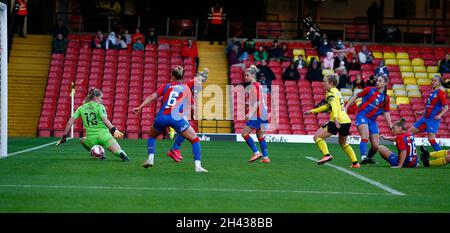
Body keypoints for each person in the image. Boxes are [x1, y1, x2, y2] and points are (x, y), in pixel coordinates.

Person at [132, 66, 208, 173]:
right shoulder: (186, 87)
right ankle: (198, 166)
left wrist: (139, 107)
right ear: (183, 77)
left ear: (172, 76)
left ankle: (150, 159)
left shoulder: (167, 86)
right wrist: (194, 115)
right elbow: (192, 107)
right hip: (177, 118)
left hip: (162, 117)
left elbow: (152, 97)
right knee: (195, 140)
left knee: (152, 135)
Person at [56, 88, 129, 162]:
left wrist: (64, 137)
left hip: (91, 139)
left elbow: (70, 122)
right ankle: (122, 155)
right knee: (119, 151)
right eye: (101, 98)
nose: (101, 100)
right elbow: (104, 119)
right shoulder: (99, 106)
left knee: (81, 140)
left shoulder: (81, 108)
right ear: (95, 97)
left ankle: (96, 152)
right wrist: (114, 130)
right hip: (104, 136)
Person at [303, 75, 360, 168]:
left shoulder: (330, 93)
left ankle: (326, 155)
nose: (323, 83)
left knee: (317, 137)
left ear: (331, 83)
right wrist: (313, 111)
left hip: (336, 120)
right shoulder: (337, 92)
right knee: (343, 143)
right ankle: (355, 163)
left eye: (325, 82)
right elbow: (328, 106)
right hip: (346, 121)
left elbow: (333, 106)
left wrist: (336, 119)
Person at [344, 74, 393, 165]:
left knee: (375, 146)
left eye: (380, 81)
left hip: (372, 120)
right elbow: (356, 96)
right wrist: (347, 106)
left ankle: (368, 158)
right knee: (365, 136)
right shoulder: (369, 89)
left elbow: (386, 112)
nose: (377, 82)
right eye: (377, 80)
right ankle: (363, 157)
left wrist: (390, 125)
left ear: (385, 83)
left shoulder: (386, 98)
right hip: (362, 115)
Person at [166, 69, 209, 162]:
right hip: (178, 108)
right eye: (202, 77)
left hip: (182, 108)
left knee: (184, 130)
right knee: (185, 129)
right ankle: (174, 150)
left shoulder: (197, 85)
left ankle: (174, 150)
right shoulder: (192, 83)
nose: (203, 79)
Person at [409, 75, 448, 151]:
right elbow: (429, 106)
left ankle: (441, 154)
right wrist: (421, 112)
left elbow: (446, 107)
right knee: (409, 133)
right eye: (432, 80)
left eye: (435, 81)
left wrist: (440, 115)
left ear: (439, 83)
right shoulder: (431, 92)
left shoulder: (440, 93)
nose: (433, 82)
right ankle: (410, 153)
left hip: (433, 120)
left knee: (431, 139)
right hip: (424, 118)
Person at [241, 65, 270, 163]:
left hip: (258, 114)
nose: (245, 77)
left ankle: (256, 152)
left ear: (253, 75)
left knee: (244, 134)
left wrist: (249, 113)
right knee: (260, 136)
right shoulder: (258, 85)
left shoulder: (253, 86)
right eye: (244, 75)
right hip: (264, 113)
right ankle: (266, 157)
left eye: (247, 75)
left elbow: (257, 102)